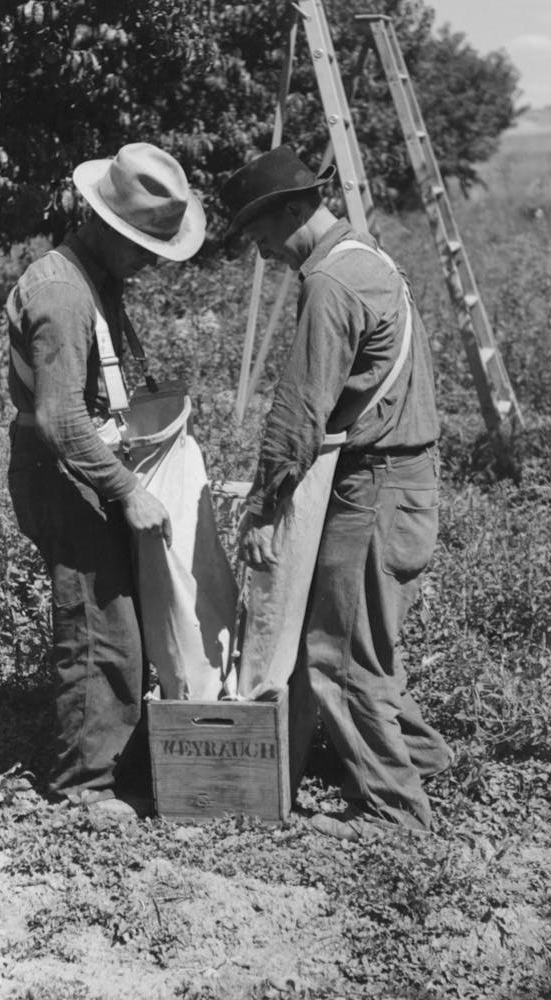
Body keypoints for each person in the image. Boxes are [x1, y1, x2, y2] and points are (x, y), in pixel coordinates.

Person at [222, 145, 451, 840]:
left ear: (293, 211)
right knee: (366, 636)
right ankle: (420, 757)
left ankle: (393, 813)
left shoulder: (331, 283)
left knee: (339, 650)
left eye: (260, 231)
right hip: (403, 479)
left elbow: (299, 411)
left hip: (376, 486)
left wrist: (264, 508)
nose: (259, 250)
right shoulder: (366, 257)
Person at [6, 143, 206, 814]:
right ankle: (82, 787)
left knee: (121, 618)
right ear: (101, 223)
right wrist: (128, 490)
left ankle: (114, 758)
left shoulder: (98, 278)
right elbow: (61, 419)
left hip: (94, 466)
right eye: (141, 245)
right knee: (98, 629)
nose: (150, 260)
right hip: (67, 476)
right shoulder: (62, 291)